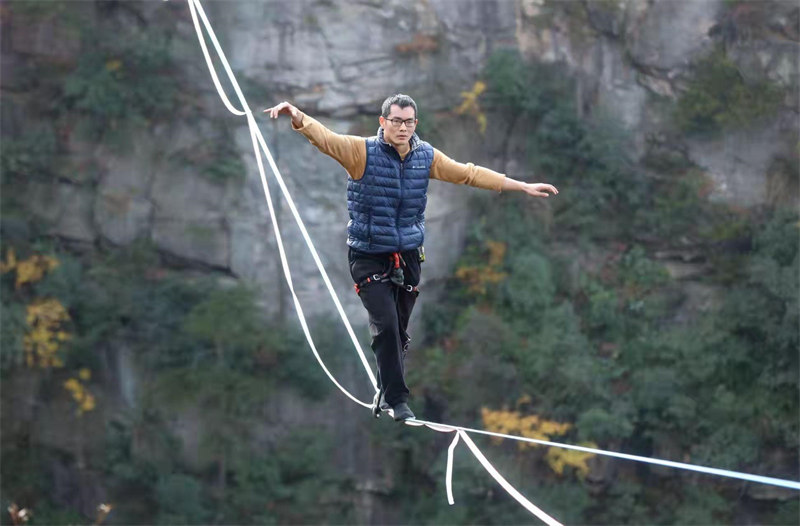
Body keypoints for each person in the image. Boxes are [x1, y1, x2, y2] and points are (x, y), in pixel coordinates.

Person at [264, 94, 558, 421]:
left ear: (415, 124)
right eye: (396, 121)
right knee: (386, 325)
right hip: (368, 256)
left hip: (408, 260)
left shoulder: (425, 157)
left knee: (399, 335)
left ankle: (384, 387)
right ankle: (397, 401)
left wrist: (521, 186)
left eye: (408, 122)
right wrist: (297, 116)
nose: (402, 127)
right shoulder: (361, 152)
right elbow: (326, 139)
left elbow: (468, 174)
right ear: (383, 122)